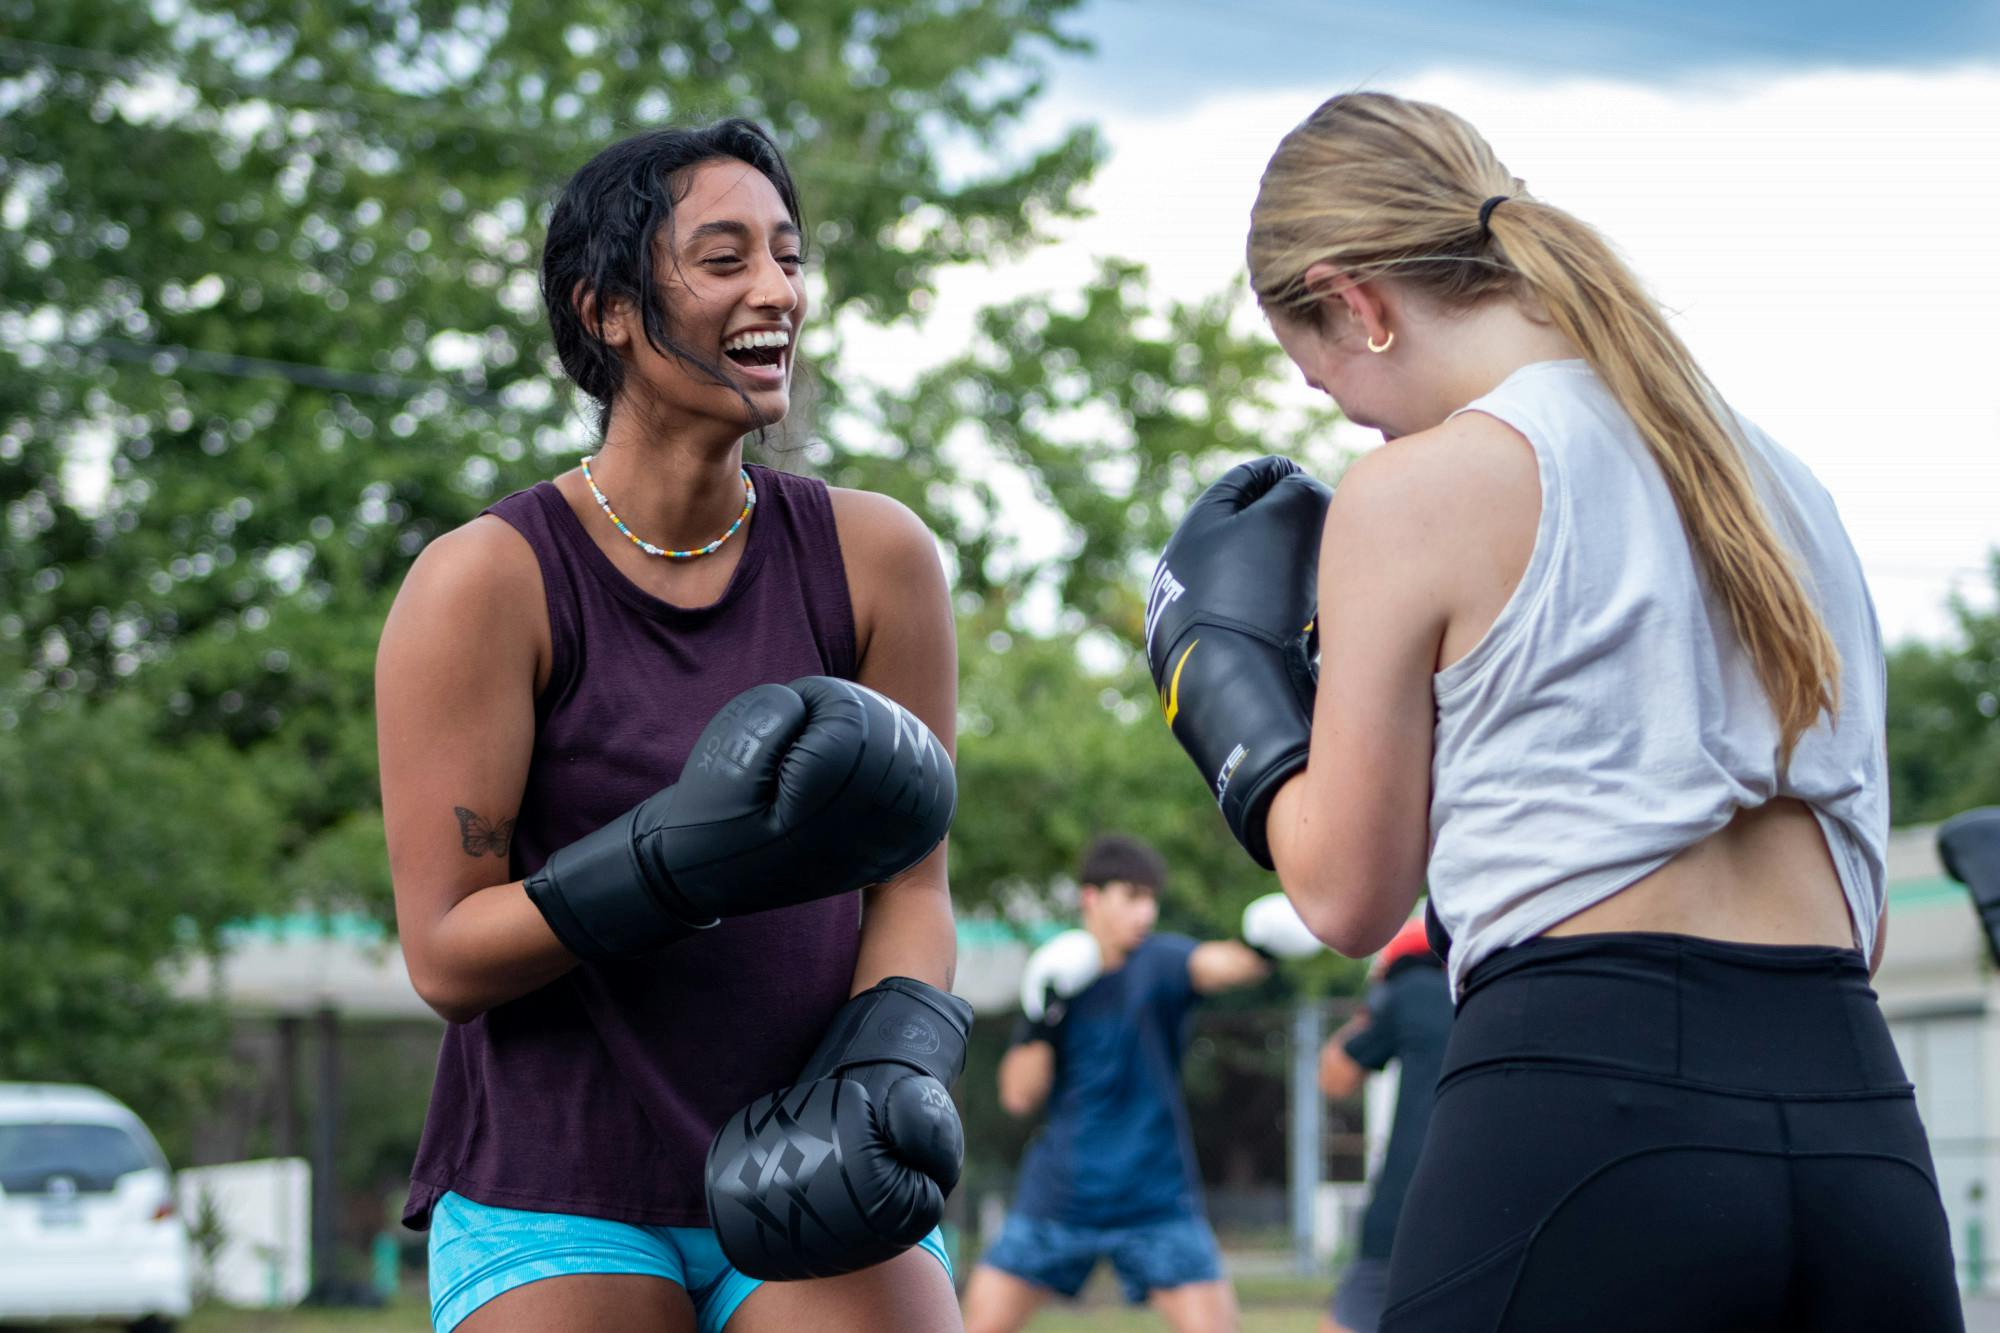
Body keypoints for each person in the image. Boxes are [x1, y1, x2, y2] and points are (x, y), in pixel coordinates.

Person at [1148, 91, 1961, 1330]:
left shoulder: (1418, 488)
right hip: (1856, 1129)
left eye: (1326, 381)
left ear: (1354, 301)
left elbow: (1348, 895)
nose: (1349, 420)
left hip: (1583, 1113)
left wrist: (1219, 688)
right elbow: (1861, 925)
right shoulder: (1785, 487)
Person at [376, 120, 969, 1333]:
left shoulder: (875, 559)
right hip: (559, 1172)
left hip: (799, 1151)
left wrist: (883, 1069)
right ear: (606, 310)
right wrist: (671, 854)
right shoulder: (485, 580)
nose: (777, 292)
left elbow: (912, 884)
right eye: (724, 258)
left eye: (788, 257)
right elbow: (444, 953)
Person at [960, 834, 1323, 1333]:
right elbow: (1018, 1095)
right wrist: (1044, 1015)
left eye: (1151, 898)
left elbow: (1224, 965)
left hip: (1155, 1197)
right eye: (1132, 897)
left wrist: (1264, 945)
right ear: (1093, 898)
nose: (1146, 912)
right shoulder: (1055, 977)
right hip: (1063, 1194)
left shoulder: (1160, 963)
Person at [1315, 918, 1449, 1333]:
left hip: (1404, 1210)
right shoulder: (1506, 993)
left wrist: (1374, 1005)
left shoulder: (1409, 993)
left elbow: (1334, 1078)